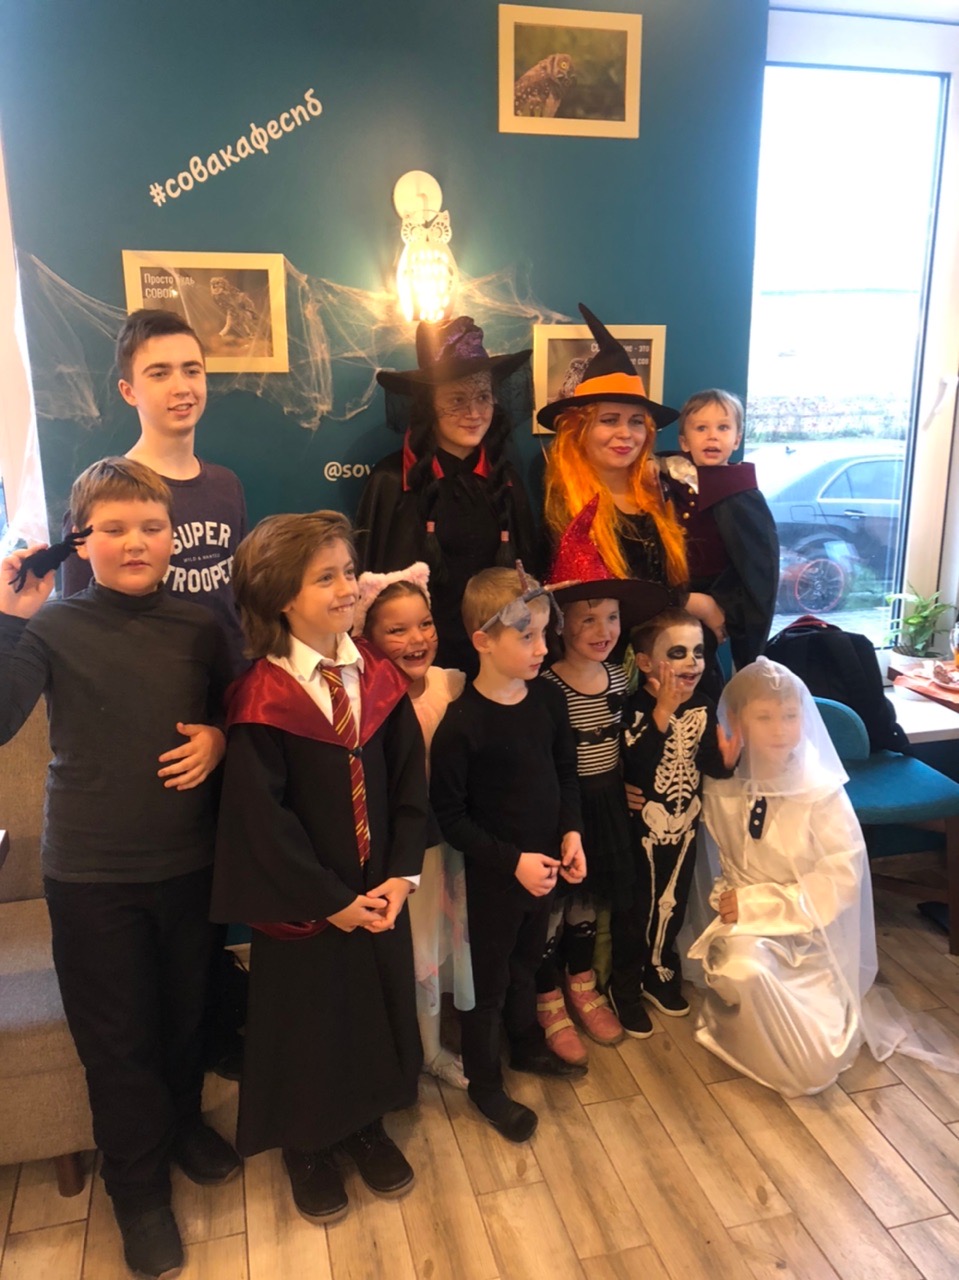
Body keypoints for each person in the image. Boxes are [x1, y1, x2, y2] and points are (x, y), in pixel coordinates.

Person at [0, 458, 238, 1280]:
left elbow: (240, 712)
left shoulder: (201, 626)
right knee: (118, 1038)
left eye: (150, 526)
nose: (134, 542)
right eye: (113, 528)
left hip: (188, 863)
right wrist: (10, 619)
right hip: (92, 877)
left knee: (185, 1013)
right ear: (80, 540)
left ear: (173, 537)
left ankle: (183, 1124)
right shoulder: (51, 627)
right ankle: (137, 1192)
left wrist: (219, 739)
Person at [210, 512, 427, 1225]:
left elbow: (409, 782)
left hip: (379, 891)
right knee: (307, 1022)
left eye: (348, 572)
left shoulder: (379, 678)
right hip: (307, 903)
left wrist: (402, 875)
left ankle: (366, 1123)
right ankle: (307, 1144)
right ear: (280, 596)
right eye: (324, 577)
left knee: (373, 1006)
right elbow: (261, 822)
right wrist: (329, 899)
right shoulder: (263, 696)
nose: (346, 588)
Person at [687, 658, 959, 1095]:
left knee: (816, 1062)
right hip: (742, 929)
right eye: (764, 717)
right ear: (736, 721)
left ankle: (801, 1046)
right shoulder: (720, 784)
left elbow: (841, 878)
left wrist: (759, 904)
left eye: (790, 716)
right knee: (745, 970)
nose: (780, 729)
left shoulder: (819, 793)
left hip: (808, 930)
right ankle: (751, 1039)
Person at [430, 566, 587, 1144]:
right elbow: (451, 818)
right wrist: (512, 861)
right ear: (483, 641)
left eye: (544, 633)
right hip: (495, 881)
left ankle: (524, 1043)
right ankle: (485, 1082)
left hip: (544, 869)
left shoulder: (547, 697)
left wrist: (571, 833)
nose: (543, 648)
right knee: (488, 984)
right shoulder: (462, 726)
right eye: (527, 636)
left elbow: (564, 772)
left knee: (528, 962)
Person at [535, 503, 671, 1064]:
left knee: (590, 905)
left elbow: (632, 739)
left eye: (611, 618)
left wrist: (630, 784)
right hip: (562, 813)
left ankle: (583, 983)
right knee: (554, 907)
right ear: (559, 623)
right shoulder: (545, 685)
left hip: (608, 806)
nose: (603, 631)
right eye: (587, 619)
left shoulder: (621, 676)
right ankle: (546, 995)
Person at [62, 308, 248, 678]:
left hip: (234, 687)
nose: (181, 387)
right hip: (156, 692)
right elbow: (79, 631)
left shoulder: (227, 485)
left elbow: (240, 597)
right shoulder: (103, 501)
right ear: (129, 391)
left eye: (191, 370)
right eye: (159, 373)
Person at [356, 316, 539, 675]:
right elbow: (375, 595)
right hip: (420, 667)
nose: (474, 413)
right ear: (429, 406)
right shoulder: (393, 480)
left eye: (483, 396)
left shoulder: (506, 480)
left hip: (494, 665)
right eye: (457, 399)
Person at [354, 561, 473, 1090]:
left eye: (424, 623)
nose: (417, 639)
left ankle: (442, 1036)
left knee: (449, 938)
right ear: (367, 638)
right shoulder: (368, 700)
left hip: (454, 841)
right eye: (397, 630)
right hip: (407, 851)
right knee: (419, 946)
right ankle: (422, 1049)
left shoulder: (452, 684)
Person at [540, 304, 724, 643]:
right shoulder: (559, 504)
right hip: (599, 658)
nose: (626, 434)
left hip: (668, 651)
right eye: (610, 420)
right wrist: (691, 602)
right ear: (580, 429)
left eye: (636, 421)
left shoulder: (661, 489)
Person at [611, 607, 739, 1039]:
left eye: (699, 653)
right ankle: (624, 986)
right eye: (678, 653)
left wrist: (727, 760)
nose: (692, 662)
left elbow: (707, 764)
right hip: (640, 830)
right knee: (636, 910)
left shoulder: (703, 706)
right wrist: (663, 710)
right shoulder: (634, 707)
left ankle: (660, 970)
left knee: (675, 904)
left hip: (685, 827)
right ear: (646, 662)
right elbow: (636, 763)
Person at [656, 389, 779, 698]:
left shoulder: (741, 492)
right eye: (701, 428)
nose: (712, 436)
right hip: (666, 594)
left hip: (715, 596)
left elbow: (757, 568)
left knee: (700, 670)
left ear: (737, 439)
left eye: (723, 428)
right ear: (684, 442)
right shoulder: (668, 478)